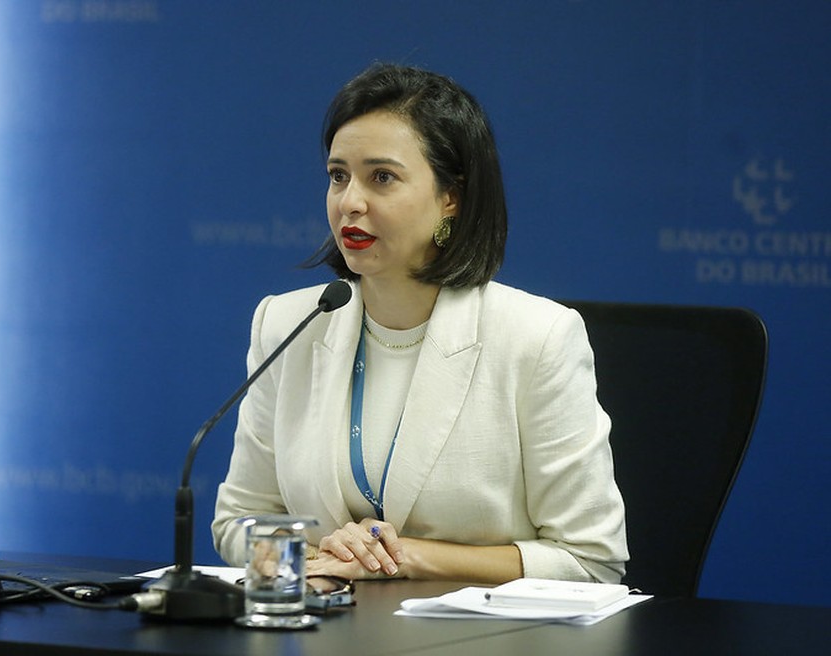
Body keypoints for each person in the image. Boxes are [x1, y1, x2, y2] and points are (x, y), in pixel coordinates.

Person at [212, 63, 628, 586]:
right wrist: (310, 551)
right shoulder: (289, 323)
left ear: (450, 197)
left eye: (381, 177)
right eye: (338, 176)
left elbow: (591, 560)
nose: (350, 202)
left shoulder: (536, 338)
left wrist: (407, 556)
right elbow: (236, 525)